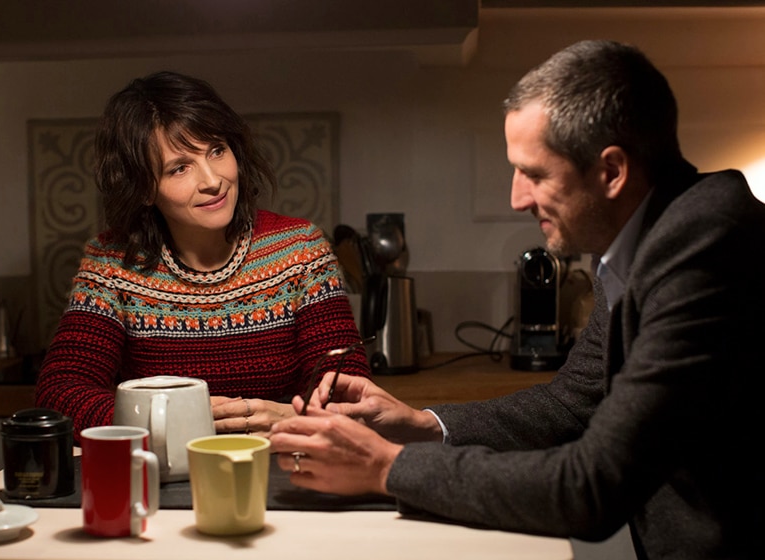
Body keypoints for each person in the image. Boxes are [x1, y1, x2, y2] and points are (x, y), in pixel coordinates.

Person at [270, 40, 765, 559]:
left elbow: (589, 487)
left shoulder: (707, 249)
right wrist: (421, 426)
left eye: (534, 173)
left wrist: (384, 467)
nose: (517, 198)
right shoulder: (646, 243)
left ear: (612, 172)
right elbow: (570, 404)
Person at [35, 71, 369, 440]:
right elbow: (59, 393)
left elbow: (349, 390)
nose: (212, 180)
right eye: (180, 168)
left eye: (216, 151)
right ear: (144, 189)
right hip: (160, 478)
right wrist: (172, 417)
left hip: (285, 467)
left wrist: (290, 416)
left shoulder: (300, 250)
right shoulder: (112, 264)